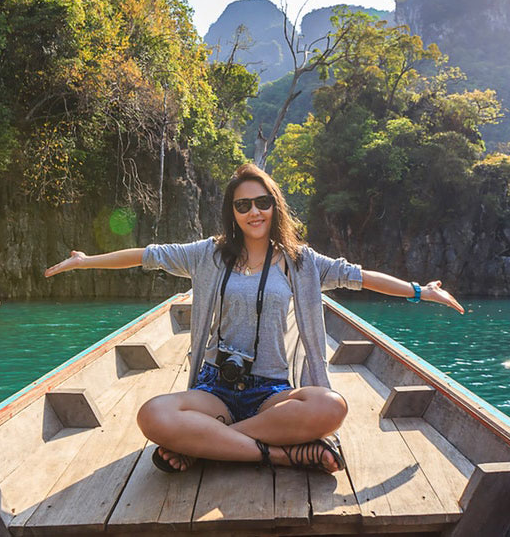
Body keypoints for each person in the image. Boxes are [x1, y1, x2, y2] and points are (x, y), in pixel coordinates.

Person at [45, 162, 464, 475]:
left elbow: (360, 277)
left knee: (330, 406)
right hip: (216, 389)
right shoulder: (207, 254)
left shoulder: (303, 263)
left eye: (262, 202)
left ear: (274, 205)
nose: (254, 212)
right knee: (152, 415)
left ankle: (207, 445)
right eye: (243, 205)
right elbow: (145, 255)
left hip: (271, 392)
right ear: (233, 211)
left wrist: (419, 291)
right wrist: (85, 262)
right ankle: (279, 454)